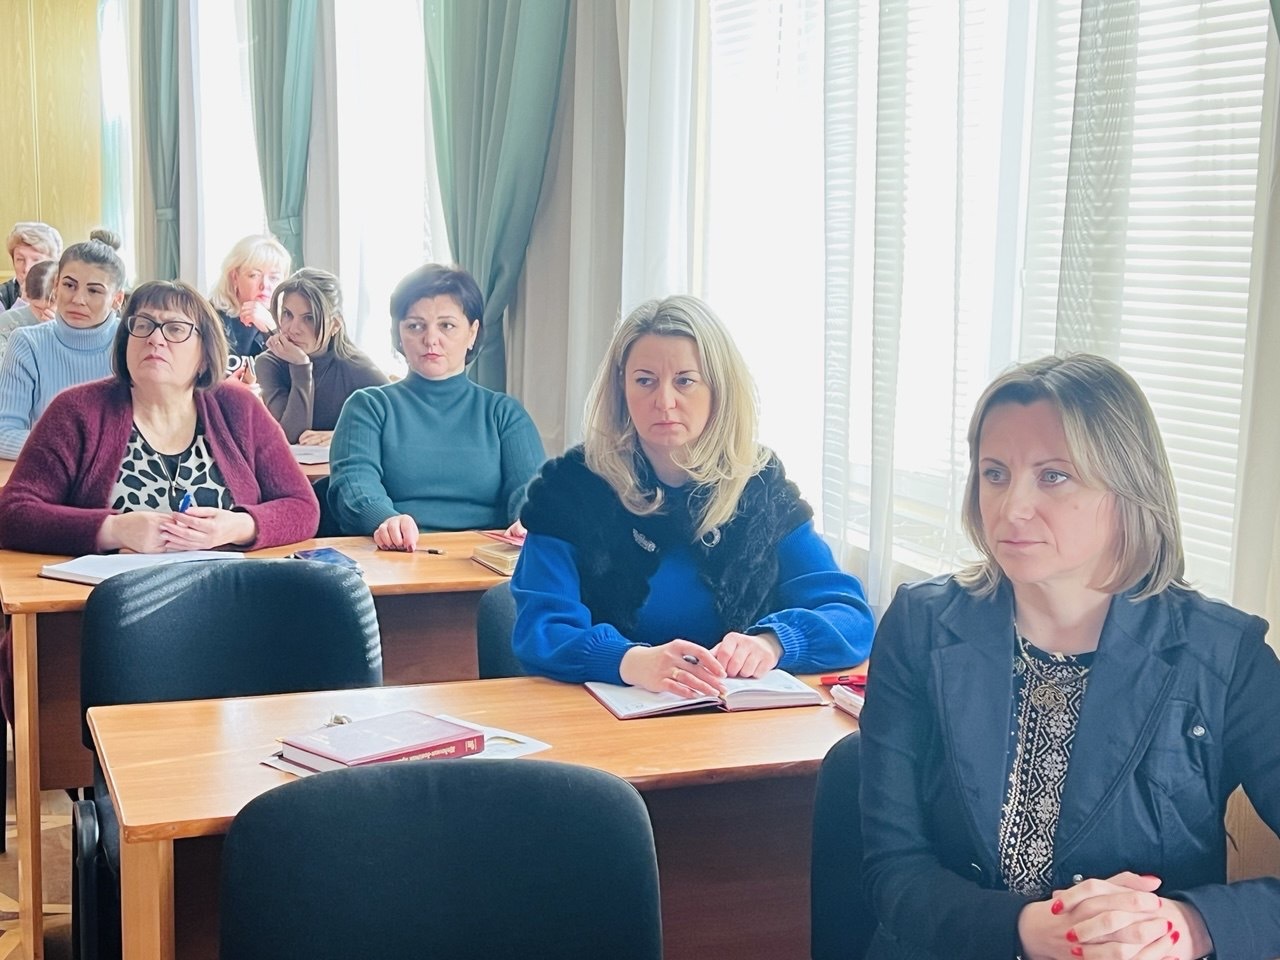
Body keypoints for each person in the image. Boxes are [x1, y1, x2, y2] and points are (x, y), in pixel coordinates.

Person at [858, 354, 1280, 960]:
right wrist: (1026, 930)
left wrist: (1193, 925)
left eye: (1053, 476)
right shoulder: (920, 626)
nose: (1011, 507)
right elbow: (892, 870)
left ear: (1129, 488)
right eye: (995, 473)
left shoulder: (1223, 656)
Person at [510, 295, 873, 692]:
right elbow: (540, 630)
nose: (664, 401)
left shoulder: (759, 486)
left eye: (685, 381)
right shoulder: (571, 487)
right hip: (604, 712)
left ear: (719, 388)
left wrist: (773, 643)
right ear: (621, 389)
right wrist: (628, 661)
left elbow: (849, 616)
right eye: (645, 381)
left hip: (733, 715)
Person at [0, 279, 319, 556]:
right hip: (109, 597)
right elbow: (12, 513)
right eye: (143, 325)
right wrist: (112, 530)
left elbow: (303, 507)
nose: (155, 338)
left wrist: (239, 526)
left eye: (175, 329)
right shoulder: (77, 410)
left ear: (204, 354)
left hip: (224, 591)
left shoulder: (238, 407)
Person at [327, 262, 545, 550]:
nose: (431, 339)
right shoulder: (368, 406)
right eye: (415, 326)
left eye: (447, 325)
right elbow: (353, 483)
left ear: (472, 333)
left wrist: (529, 520)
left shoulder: (504, 414)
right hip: (394, 554)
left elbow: (530, 489)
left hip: (485, 559)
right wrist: (386, 520)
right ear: (399, 335)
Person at [0, 236, 126, 459]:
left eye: (94, 291)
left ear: (117, 299)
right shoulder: (27, 343)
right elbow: (4, 434)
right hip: (50, 472)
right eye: (69, 285)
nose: (78, 299)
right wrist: (77, 450)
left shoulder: (131, 343)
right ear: (56, 285)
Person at [256, 267, 388, 444]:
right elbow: (290, 438)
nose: (293, 329)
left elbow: (402, 422)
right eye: (288, 314)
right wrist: (301, 365)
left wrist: (343, 434)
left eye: (309, 318)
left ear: (335, 325)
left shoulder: (356, 367)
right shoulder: (268, 364)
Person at [207, 234, 290, 380]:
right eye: (254, 275)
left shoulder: (290, 322)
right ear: (234, 277)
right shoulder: (208, 317)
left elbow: (292, 380)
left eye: (274, 278)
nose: (264, 285)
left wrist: (272, 329)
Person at [0, 259, 56, 360]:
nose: (44, 314)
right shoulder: (8, 321)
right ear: (27, 297)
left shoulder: (77, 322)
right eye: (38, 308)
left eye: (52, 305)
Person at [1, 221, 63, 310]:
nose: (27, 268)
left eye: (36, 260)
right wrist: (24, 301)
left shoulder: (68, 292)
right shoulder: (3, 296)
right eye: (20, 259)